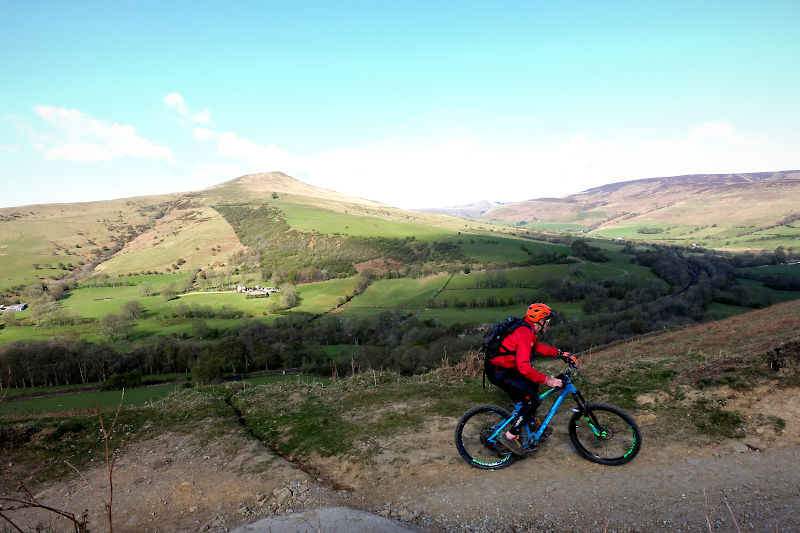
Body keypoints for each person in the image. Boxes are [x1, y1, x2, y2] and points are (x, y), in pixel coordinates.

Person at [485, 303, 577, 456]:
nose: (548, 323)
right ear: (540, 321)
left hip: (505, 369)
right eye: (547, 320)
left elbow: (538, 347)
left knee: (532, 386)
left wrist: (560, 353)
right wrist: (548, 380)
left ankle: (531, 422)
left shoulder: (527, 329)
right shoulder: (525, 332)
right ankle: (510, 436)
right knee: (532, 400)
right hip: (499, 371)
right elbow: (524, 368)